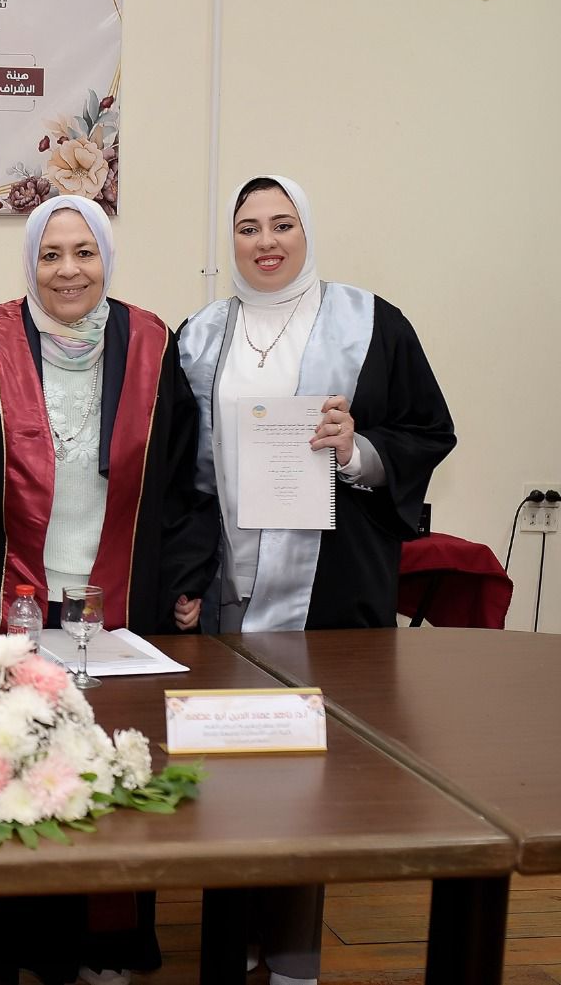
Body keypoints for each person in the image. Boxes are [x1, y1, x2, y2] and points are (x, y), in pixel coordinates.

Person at [0, 195, 217, 985]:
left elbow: (183, 481)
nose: (68, 270)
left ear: (107, 258)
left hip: (115, 614)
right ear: (30, 263)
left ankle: (97, 950)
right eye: (51, 254)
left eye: (84, 252)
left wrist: (184, 577)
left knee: (99, 771)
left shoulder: (153, 347)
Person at [177, 174, 456, 985]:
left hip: (330, 585)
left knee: (309, 777)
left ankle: (296, 954)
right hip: (227, 585)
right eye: (248, 227)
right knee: (225, 767)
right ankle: (231, 942)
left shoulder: (371, 322)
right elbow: (181, 471)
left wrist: (356, 447)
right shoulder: (200, 336)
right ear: (231, 240)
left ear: (306, 231)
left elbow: (428, 430)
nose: (265, 242)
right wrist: (185, 575)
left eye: (282, 224)